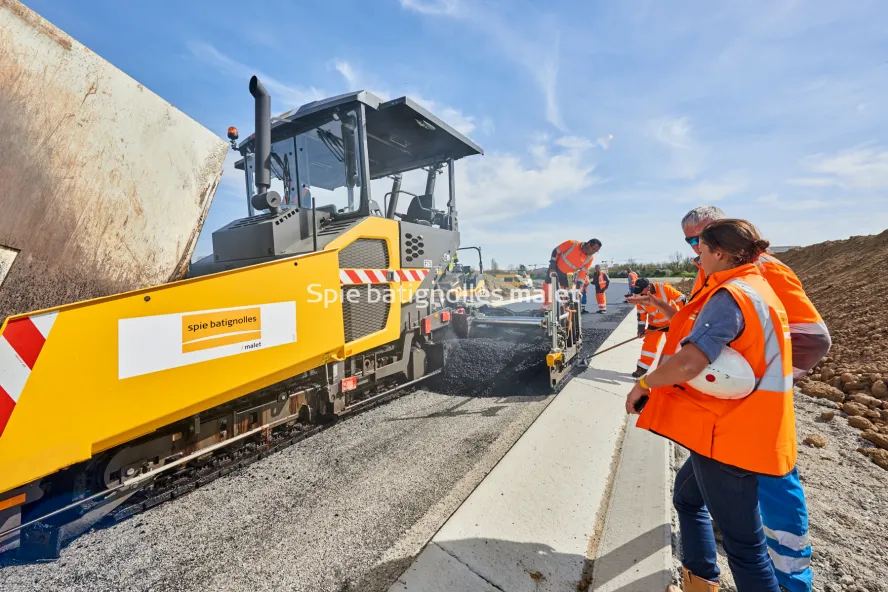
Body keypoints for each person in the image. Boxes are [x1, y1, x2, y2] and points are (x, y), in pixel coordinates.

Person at [627, 219, 795, 592]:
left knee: (746, 548)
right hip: (743, 427)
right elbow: (703, 331)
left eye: (700, 250)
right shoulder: (756, 289)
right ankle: (699, 583)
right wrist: (659, 306)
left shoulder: (730, 295)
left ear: (719, 252)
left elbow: (690, 361)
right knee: (686, 498)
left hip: (731, 435)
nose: (696, 257)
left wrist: (643, 384)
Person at [680, 206, 830, 592]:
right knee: (689, 495)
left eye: (701, 239)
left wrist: (763, 383)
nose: (696, 248)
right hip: (722, 415)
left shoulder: (764, 270)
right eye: (689, 241)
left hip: (754, 417)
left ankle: (794, 584)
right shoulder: (710, 272)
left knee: (774, 506)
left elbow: (814, 339)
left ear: (724, 238)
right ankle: (701, 581)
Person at [629, 278, 686, 378]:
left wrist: (683, 318)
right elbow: (641, 313)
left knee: (674, 346)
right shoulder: (637, 295)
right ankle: (642, 367)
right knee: (648, 347)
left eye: (641, 291)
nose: (638, 294)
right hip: (654, 324)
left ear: (648, 287)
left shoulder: (664, 288)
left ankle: (676, 369)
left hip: (671, 323)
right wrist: (641, 329)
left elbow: (681, 299)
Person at [542, 239, 602, 308]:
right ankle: (545, 306)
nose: (593, 252)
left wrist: (578, 288)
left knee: (566, 294)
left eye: (596, 251)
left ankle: (565, 311)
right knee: (547, 285)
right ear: (588, 244)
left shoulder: (590, 258)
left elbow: (583, 273)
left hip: (568, 275)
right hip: (555, 268)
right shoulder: (572, 244)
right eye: (593, 249)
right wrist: (552, 267)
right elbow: (556, 251)